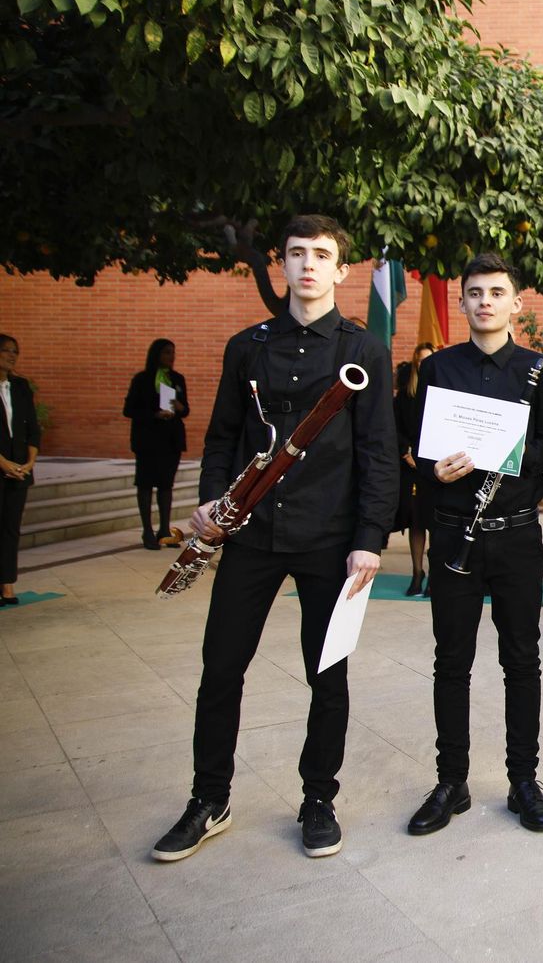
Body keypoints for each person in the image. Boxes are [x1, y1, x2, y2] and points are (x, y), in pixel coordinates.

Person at [151, 215, 397, 862]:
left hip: (331, 540)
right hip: (253, 537)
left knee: (328, 676)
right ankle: (210, 799)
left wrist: (370, 537)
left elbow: (378, 453)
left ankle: (319, 799)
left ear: (342, 270)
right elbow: (221, 436)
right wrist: (211, 501)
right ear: (280, 265)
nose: (309, 265)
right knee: (220, 671)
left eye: (322, 255)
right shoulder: (247, 346)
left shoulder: (364, 351)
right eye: (296, 254)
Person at [406, 253, 543, 837]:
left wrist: (510, 453)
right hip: (453, 535)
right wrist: (434, 469)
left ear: (516, 303)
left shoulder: (540, 370)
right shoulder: (440, 368)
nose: (486, 301)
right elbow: (420, 450)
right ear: (463, 302)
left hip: (517, 534)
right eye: (475, 293)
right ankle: (452, 781)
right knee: (453, 661)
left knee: (522, 661)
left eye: (498, 292)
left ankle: (524, 779)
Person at [123, 339, 190, 550]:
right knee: (145, 484)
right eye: (167, 353)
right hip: (148, 439)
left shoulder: (176, 379)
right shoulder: (142, 380)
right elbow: (129, 410)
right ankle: (147, 531)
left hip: (170, 440)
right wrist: (154, 414)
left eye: (173, 353)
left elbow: (186, 410)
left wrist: (179, 406)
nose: (171, 357)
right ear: (156, 355)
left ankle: (164, 530)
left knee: (165, 485)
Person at [0, 333, 39, 606]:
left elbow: (33, 429)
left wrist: (29, 462)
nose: (12, 355)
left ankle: (7, 584)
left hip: (20, 469)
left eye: (15, 351)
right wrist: (3, 463)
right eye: (6, 351)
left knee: (11, 528)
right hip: (2, 466)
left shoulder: (21, 386)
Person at [394, 342, 435, 596]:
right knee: (416, 522)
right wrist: (406, 452)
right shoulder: (405, 395)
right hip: (410, 467)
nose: (425, 365)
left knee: (435, 522)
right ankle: (417, 572)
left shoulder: (441, 391)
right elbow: (394, 426)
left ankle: (435, 575)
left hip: (434, 468)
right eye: (421, 361)